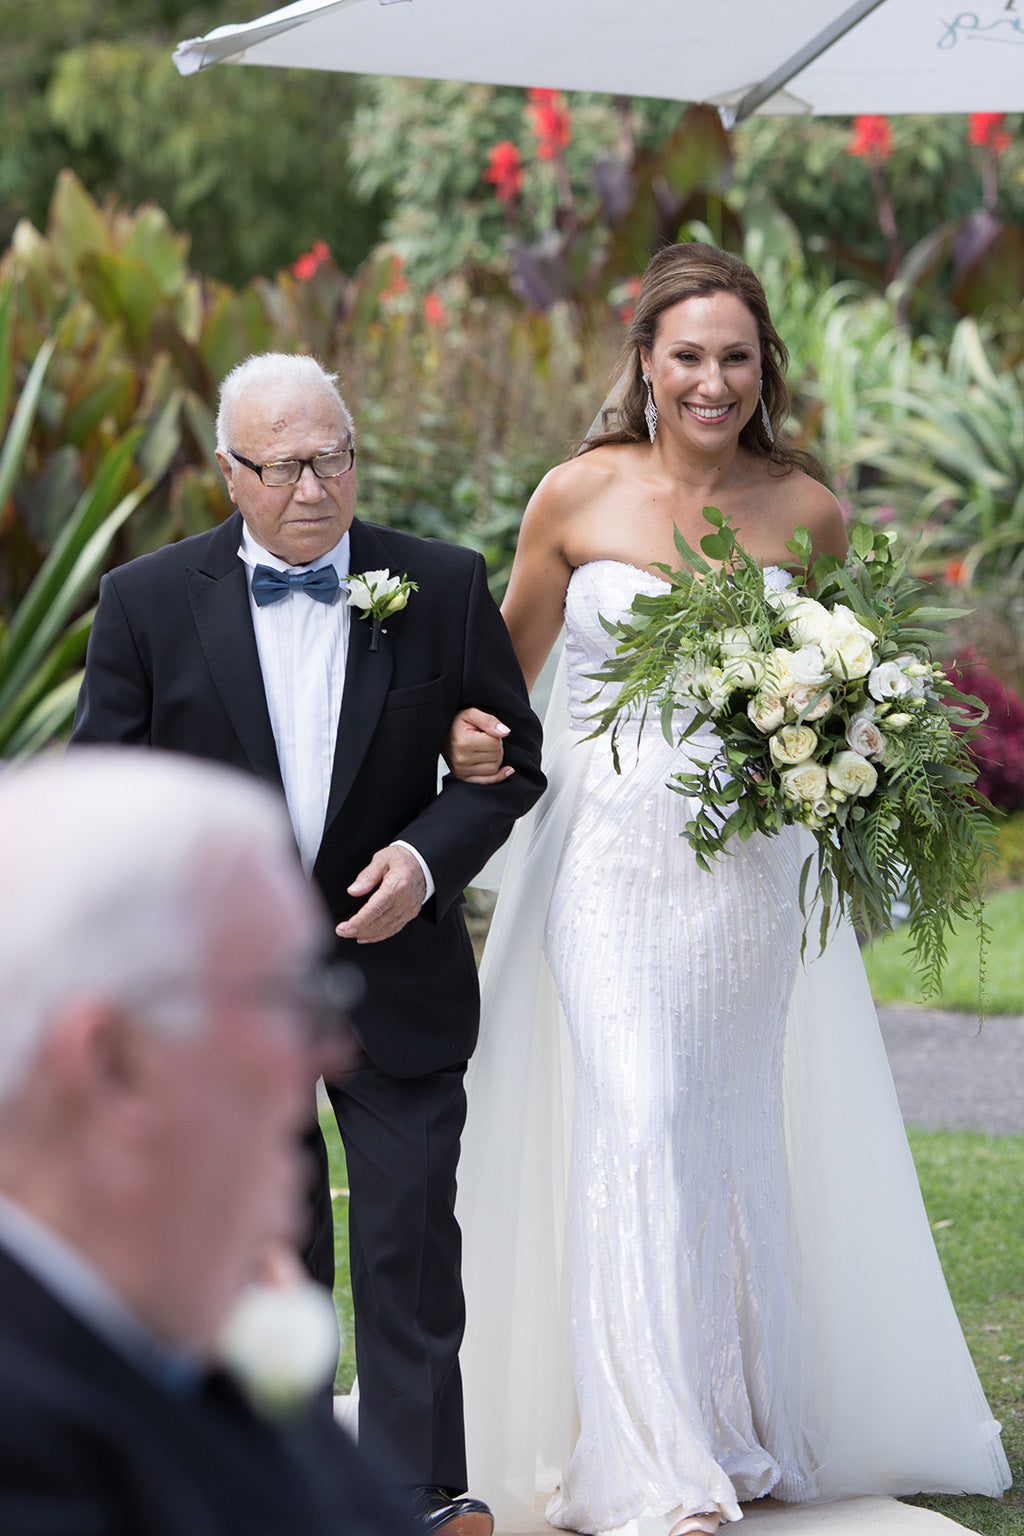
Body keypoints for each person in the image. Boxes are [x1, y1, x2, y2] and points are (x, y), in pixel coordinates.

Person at [447, 243, 1011, 1534]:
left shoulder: (806, 511)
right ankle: (650, 1461)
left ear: (766, 372)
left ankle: (733, 1424)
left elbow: (850, 683)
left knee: (722, 1136)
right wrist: (471, 742)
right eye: (688, 354)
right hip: (605, 863)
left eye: (736, 357)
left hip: (749, 878)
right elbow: (497, 686)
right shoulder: (573, 497)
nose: (712, 380)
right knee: (638, 1119)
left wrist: (858, 760)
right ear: (644, 357)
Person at [70, 352, 545, 1536]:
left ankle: (416, 1497)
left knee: (407, 1242)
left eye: (332, 457)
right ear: (229, 474)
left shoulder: (437, 583)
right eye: (281, 466)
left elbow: (509, 760)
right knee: (263, 1247)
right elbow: (102, 790)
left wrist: (430, 855)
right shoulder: (143, 601)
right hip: (223, 992)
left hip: (400, 978)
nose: (313, 486)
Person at [0, 749, 417, 1536]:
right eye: (292, 996)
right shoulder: (27, 1459)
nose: (328, 1051)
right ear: (115, 1062)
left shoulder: (168, 1330)